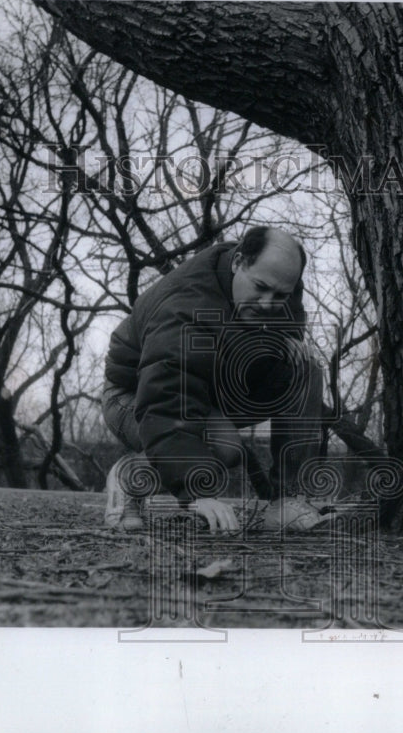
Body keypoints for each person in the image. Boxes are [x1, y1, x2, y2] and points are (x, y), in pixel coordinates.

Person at [101, 226, 324, 532]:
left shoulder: (279, 280)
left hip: (210, 389)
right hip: (133, 394)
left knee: (305, 365)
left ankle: (288, 501)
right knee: (223, 448)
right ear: (238, 262)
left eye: (280, 295)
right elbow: (167, 399)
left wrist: (283, 340)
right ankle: (131, 476)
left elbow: (289, 322)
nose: (267, 304)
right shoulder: (186, 309)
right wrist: (196, 489)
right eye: (260, 287)